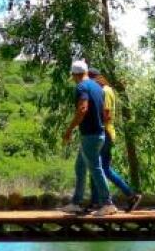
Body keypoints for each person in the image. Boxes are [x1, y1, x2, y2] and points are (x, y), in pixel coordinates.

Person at [60, 60, 118, 216]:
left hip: (90, 135)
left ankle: (108, 203)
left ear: (74, 75)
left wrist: (69, 129)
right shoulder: (97, 87)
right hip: (97, 134)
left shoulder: (82, 87)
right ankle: (76, 203)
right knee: (80, 166)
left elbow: (83, 108)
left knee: (95, 169)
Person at [88, 67, 142, 212]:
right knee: (102, 168)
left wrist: (91, 120)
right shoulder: (108, 90)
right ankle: (128, 195)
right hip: (108, 132)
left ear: (94, 79)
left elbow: (106, 114)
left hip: (104, 132)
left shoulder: (104, 91)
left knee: (97, 167)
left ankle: (98, 202)